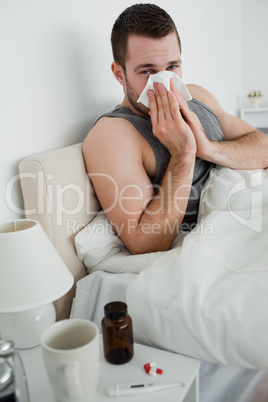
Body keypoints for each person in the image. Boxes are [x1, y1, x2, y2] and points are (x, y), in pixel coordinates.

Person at [82, 3, 268, 255]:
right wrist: (183, 154)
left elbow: (263, 147)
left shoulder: (197, 94)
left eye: (172, 67)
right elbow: (145, 243)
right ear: (118, 73)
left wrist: (209, 148)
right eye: (147, 71)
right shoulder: (113, 135)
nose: (164, 83)